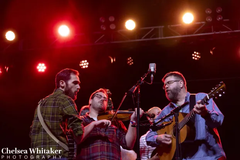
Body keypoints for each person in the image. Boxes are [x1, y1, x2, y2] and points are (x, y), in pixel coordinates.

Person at [30, 68, 110, 160]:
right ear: (62, 83)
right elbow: (79, 135)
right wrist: (93, 125)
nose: (79, 87)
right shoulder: (66, 100)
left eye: (79, 84)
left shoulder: (41, 103)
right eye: (75, 83)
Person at [146, 71, 226, 160]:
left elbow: (218, 121)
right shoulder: (166, 111)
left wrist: (205, 114)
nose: (166, 87)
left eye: (169, 83)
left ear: (181, 83)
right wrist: (158, 138)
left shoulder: (200, 98)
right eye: (164, 85)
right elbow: (149, 136)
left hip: (209, 157)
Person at [76, 88, 144, 160]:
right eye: (99, 96)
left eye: (105, 98)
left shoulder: (115, 122)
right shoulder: (81, 120)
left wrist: (133, 121)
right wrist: (94, 124)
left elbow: (128, 144)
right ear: (90, 101)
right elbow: (77, 137)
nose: (102, 99)